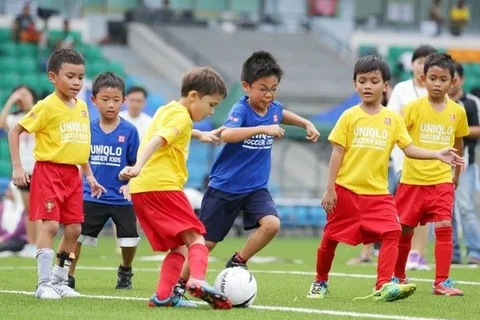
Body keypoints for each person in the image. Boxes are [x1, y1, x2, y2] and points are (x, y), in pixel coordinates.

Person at [307, 55, 463, 301]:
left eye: (373, 81)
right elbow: (337, 152)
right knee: (330, 239)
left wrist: (437, 153)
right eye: (362, 81)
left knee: (393, 231)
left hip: (378, 193)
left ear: (385, 86)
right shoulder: (349, 116)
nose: (367, 86)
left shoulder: (393, 119)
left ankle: (383, 284)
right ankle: (320, 281)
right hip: (346, 190)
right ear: (355, 85)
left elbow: (409, 149)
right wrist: (330, 189)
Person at [118, 67, 233, 309]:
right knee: (196, 238)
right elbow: (158, 140)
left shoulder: (167, 109)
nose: (212, 111)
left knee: (178, 246)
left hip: (143, 190)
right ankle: (198, 281)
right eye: (211, 104)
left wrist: (199, 134)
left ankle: (162, 297)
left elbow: (172, 132)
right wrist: (137, 166)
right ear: (193, 96)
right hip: (162, 186)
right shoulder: (181, 116)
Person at [8, 48, 105, 299]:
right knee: (50, 225)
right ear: (53, 77)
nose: (76, 82)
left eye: (80, 77)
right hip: (49, 171)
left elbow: (81, 146)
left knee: (74, 230)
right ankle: (43, 284)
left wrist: (90, 176)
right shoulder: (46, 106)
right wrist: (18, 167)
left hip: (74, 175)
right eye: (70, 76)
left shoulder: (83, 107)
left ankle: (60, 281)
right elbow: (14, 132)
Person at [393, 53, 469, 296]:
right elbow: (399, 138)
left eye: (443, 79)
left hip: (441, 180)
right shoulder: (412, 109)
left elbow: (458, 144)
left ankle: (442, 282)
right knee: (404, 229)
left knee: (445, 225)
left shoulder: (458, 112)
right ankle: (397, 275)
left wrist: (456, 173)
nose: (437, 84)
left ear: (453, 82)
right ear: (423, 79)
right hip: (412, 181)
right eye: (433, 78)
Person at [67, 72, 141, 290]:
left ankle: (125, 270)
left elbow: (137, 164)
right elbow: (80, 160)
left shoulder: (130, 131)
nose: (111, 105)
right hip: (92, 196)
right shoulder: (87, 128)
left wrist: (130, 182)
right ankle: (68, 276)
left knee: (129, 241)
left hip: (121, 198)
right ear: (94, 100)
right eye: (105, 99)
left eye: (116, 100)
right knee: (76, 237)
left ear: (123, 101)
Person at [388, 44, 438, 271]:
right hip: (403, 154)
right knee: (405, 205)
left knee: (424, 209)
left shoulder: (435, 91)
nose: (422, 65)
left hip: (429, 155)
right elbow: (390, 116)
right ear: (413, 64)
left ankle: (418, 254)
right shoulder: (402, 89)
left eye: (428, 61)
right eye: (419, 61)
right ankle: (400, 250)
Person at [0, 86, 40, 258]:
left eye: (26, 93)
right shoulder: (15, 119)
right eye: (19, 94)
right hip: (23, 171)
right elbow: (2, 123)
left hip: (39, 168)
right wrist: (11, 100)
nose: (22, 97)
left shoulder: (39, 114)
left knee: (40, 210)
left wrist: (29, 103)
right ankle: (31, 244)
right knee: (28, 210)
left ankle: (41, 245)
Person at [447, 62, 480, 265]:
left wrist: (458, 130)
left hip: (465, 162)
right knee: (445, 210)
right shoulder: (437, 103)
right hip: (440, 163)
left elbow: (478, 129)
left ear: (461, 80)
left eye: (453, 78)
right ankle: (453, 253)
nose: (450, 83)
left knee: (465, 207)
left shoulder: (471, 103)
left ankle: (475, 251)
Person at [0, 182, 27, 257]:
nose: (7, 192)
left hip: (18, 239)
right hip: (4, 237)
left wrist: (4, 238)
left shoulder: (23, 208)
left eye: (10, 190)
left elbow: (19, 230)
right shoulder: (3, 205)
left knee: (8, 245)